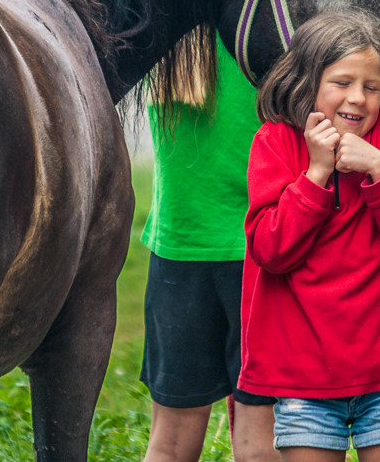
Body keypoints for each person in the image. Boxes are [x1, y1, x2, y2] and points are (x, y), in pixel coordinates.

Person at [239, 13, 380, 461]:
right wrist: (315, 174)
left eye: (371, 86)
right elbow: (270, 250)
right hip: (303, 380)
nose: (358, 97)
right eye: (342, 82)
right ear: (307, 81)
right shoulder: (274, 142)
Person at [141, 42, 276, 462]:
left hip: (180, 249)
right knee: (260, 444)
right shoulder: (262, 18)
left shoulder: (172, 31)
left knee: (170, 442)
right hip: (262, 251)